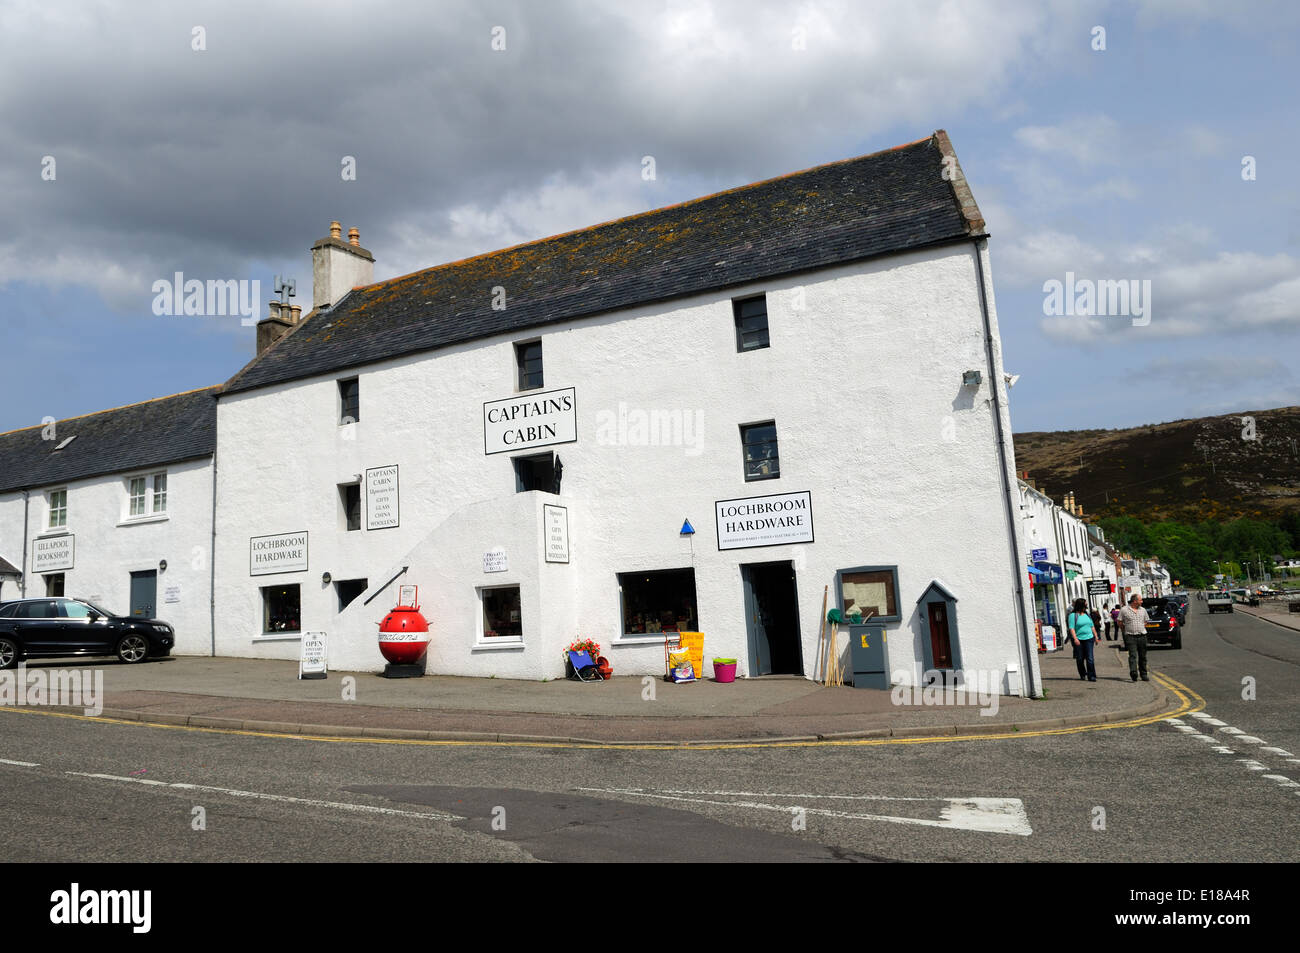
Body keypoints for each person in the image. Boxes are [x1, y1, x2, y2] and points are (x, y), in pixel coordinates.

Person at [1118, 593, 1150, 682]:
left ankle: (1143, 674)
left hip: (1142, 636)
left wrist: (1141, 627)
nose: (1142, 601)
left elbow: (1146, 621)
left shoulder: (1143, 610)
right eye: (1140, 600)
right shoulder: (1124, 610)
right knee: (1132, 655)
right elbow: (1119, 622)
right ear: (1135, 601)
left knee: (1143, 656)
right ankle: (1133, 673)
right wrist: (1125, 630)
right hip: (1130, 636)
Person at [1067, 598, 1098, 682]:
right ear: (1081, 605)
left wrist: (1096, 636)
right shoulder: (1073, 615)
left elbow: (1092, 626)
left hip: (1089, 638)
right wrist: (1075, 639)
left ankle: (1092, 676)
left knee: (1090, 658)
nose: (1087, 605)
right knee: (1080, 658)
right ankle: (1083, 673)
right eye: (1085, 604)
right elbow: (1071, 628)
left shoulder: (1087, 614)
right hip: (1078, 639)